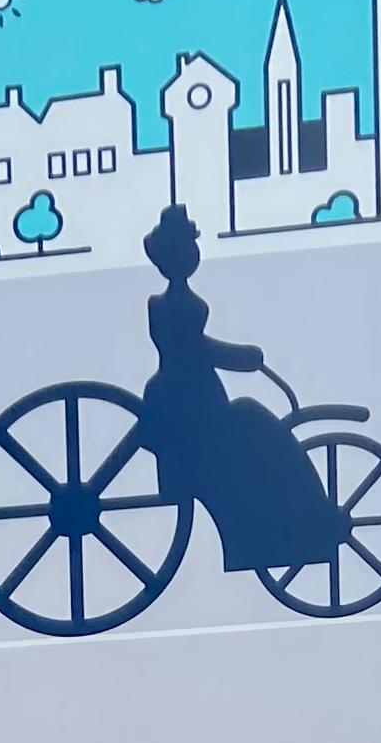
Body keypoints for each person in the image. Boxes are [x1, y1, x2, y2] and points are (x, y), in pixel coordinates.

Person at [136, 203, 346, 571]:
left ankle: (285, 525)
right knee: (257, 422)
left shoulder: (163, 304)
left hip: (179, 393)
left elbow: (192, 346)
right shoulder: (177, 306)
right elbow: (194, 347)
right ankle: (299, 524)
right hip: (193, 402)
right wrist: (246, 356)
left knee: (254, 421)